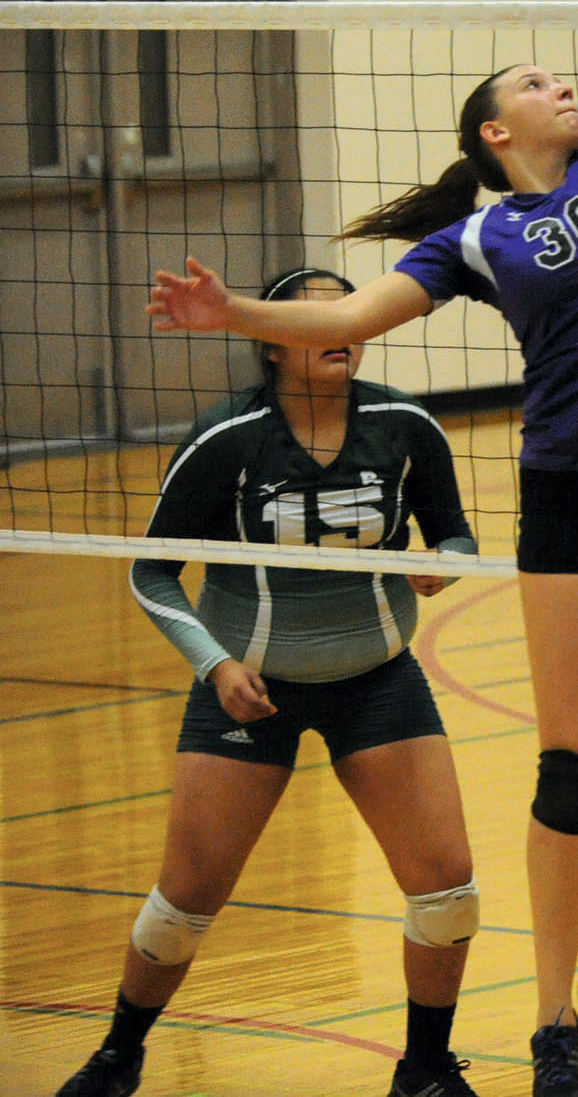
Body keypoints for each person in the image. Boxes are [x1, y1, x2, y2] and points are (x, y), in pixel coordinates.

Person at [147, 0, 578, 1097]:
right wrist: (234, 309)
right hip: (574, 495)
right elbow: (347, 321)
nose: (560, 83)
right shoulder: (476, 234)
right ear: (490, 124)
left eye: (557, 75)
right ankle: (548, 1028)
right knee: (576, 763)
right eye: (533, 79)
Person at [57, 268, 483, 1097]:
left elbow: (458, 535)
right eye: (312, 322)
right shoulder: (228, 438)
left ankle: (425, 1068)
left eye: (351, 318)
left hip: (379, 680)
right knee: (185, 901)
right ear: (270, 342)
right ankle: (118, 1055)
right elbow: (151, 574)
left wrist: (445, 566)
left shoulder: (404, 424)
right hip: (249, 692)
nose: (341, 334)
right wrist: (215, 664)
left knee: (448, 889)